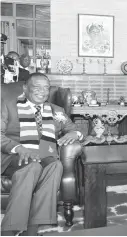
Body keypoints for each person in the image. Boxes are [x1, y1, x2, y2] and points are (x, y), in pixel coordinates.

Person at [1, 73, 83, 236]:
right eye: (37, 87)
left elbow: (74, 129)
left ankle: (32, 228)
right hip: (13, 156)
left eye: (46, 87)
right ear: (25, 89)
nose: (42, 91)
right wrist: (18, 148)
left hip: (44, 156)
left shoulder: (56, 110)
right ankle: (9, 230)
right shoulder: (8, 105)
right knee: (32, 167)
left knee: (55, 165)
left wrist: (76, 134)